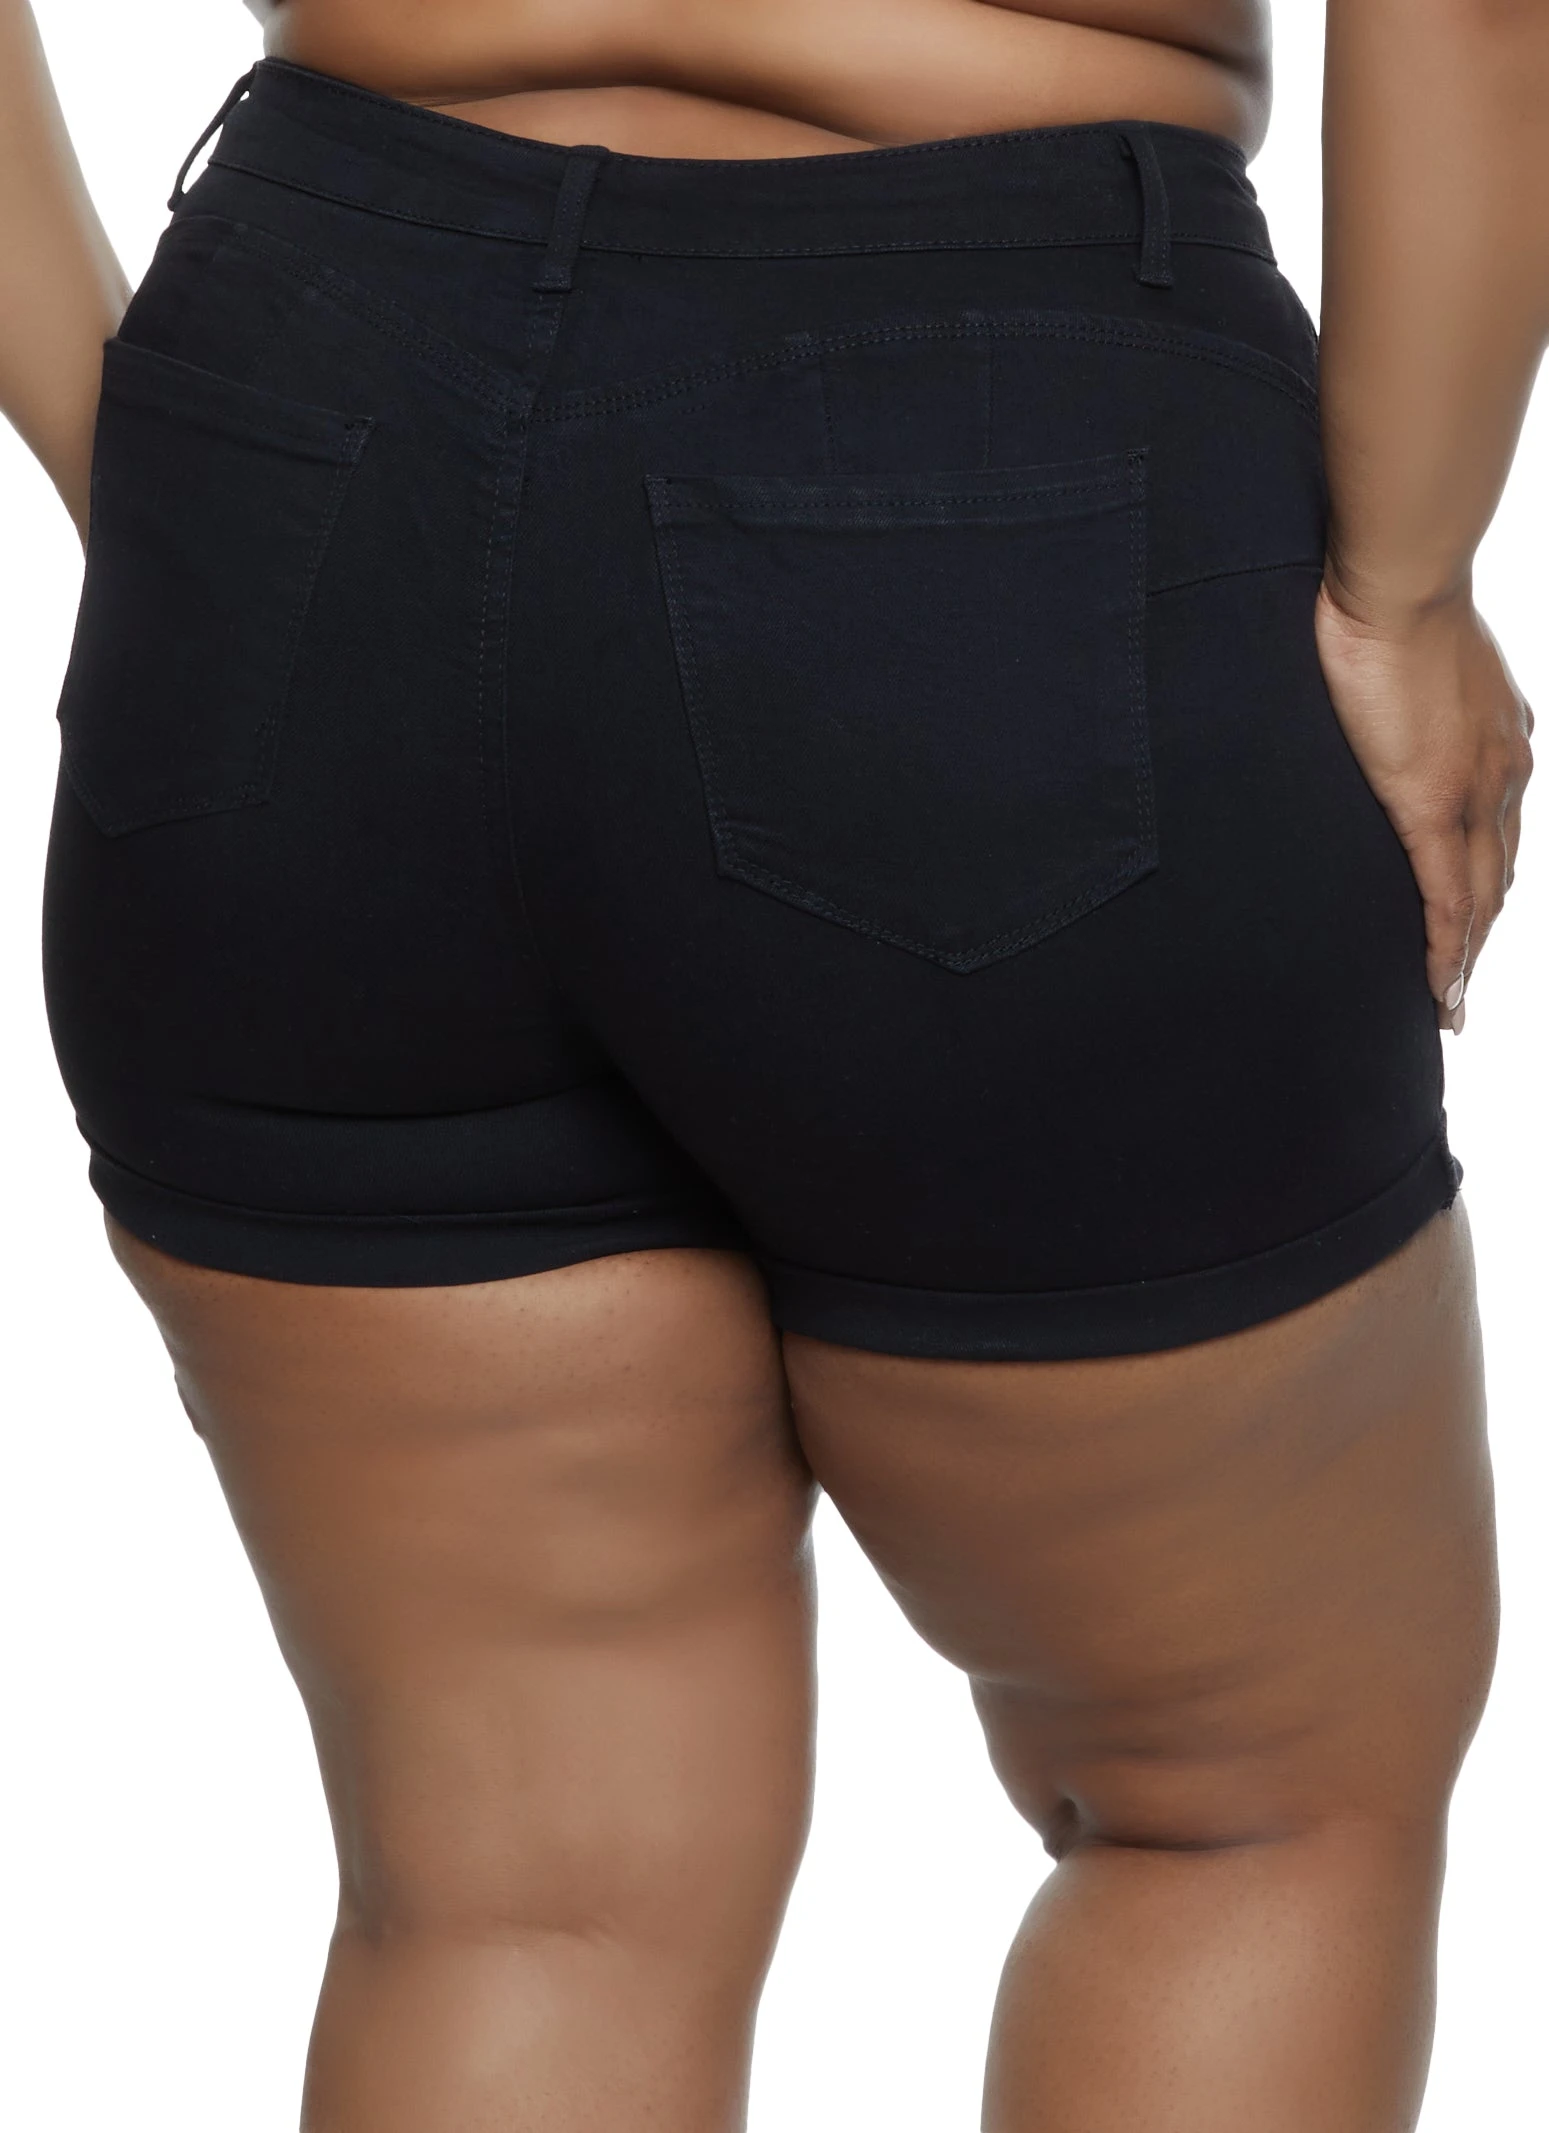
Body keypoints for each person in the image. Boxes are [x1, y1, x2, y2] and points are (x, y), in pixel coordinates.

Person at [1, 0, 1540, 2126]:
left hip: (305, 408)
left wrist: (154, 477)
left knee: (519, 1899)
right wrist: (1411, 591)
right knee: (1243, 1803)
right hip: (995, 437)